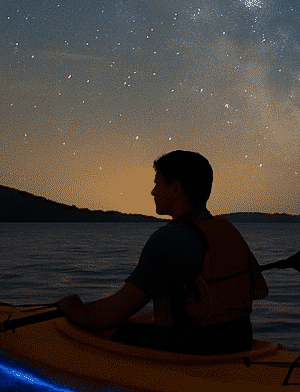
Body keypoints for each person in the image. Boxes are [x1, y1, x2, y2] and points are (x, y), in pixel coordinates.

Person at [55, 150, 269, 354]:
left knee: (111, 329)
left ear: (175, 188)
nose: (153, 191)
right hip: (239, 339)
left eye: (157, 184)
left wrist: (76, 310)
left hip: (196, 347)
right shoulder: (227, 230)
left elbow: (112, 315)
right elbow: (258, 292)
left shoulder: (168, 239)